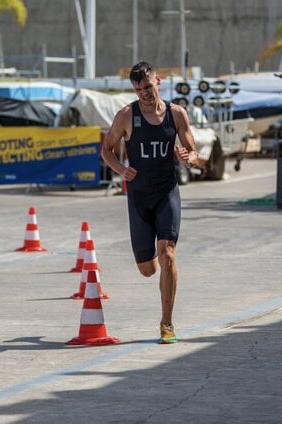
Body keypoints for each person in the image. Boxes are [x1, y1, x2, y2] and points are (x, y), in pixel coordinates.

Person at [101, 61, 198, 344]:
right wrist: (121, 169)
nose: (144, 92)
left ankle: (167, 323)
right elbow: (106, 150)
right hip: (139, 198)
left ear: (158, 80)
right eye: (138, 88)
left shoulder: (176, 114)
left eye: (148, 86)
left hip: (167, 192)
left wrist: (187, 158)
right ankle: (155, 262)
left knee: (167, 252)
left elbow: (194, 153)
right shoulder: (126, 116)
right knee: (148, 269)